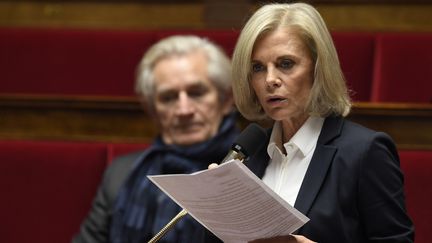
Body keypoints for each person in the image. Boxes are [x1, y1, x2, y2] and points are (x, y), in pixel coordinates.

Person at [229, 2, 415, 243]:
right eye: (258, 67)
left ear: (318, 68)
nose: (270, 79)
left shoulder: (365, 152)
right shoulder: (249, 156)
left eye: (286, 64)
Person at [72, 35, 238, 243]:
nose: (184, 110)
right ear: (152, 110)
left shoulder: (255, 169)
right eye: (168, 98)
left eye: (196, 93)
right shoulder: (122, 173)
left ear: (225, 100)